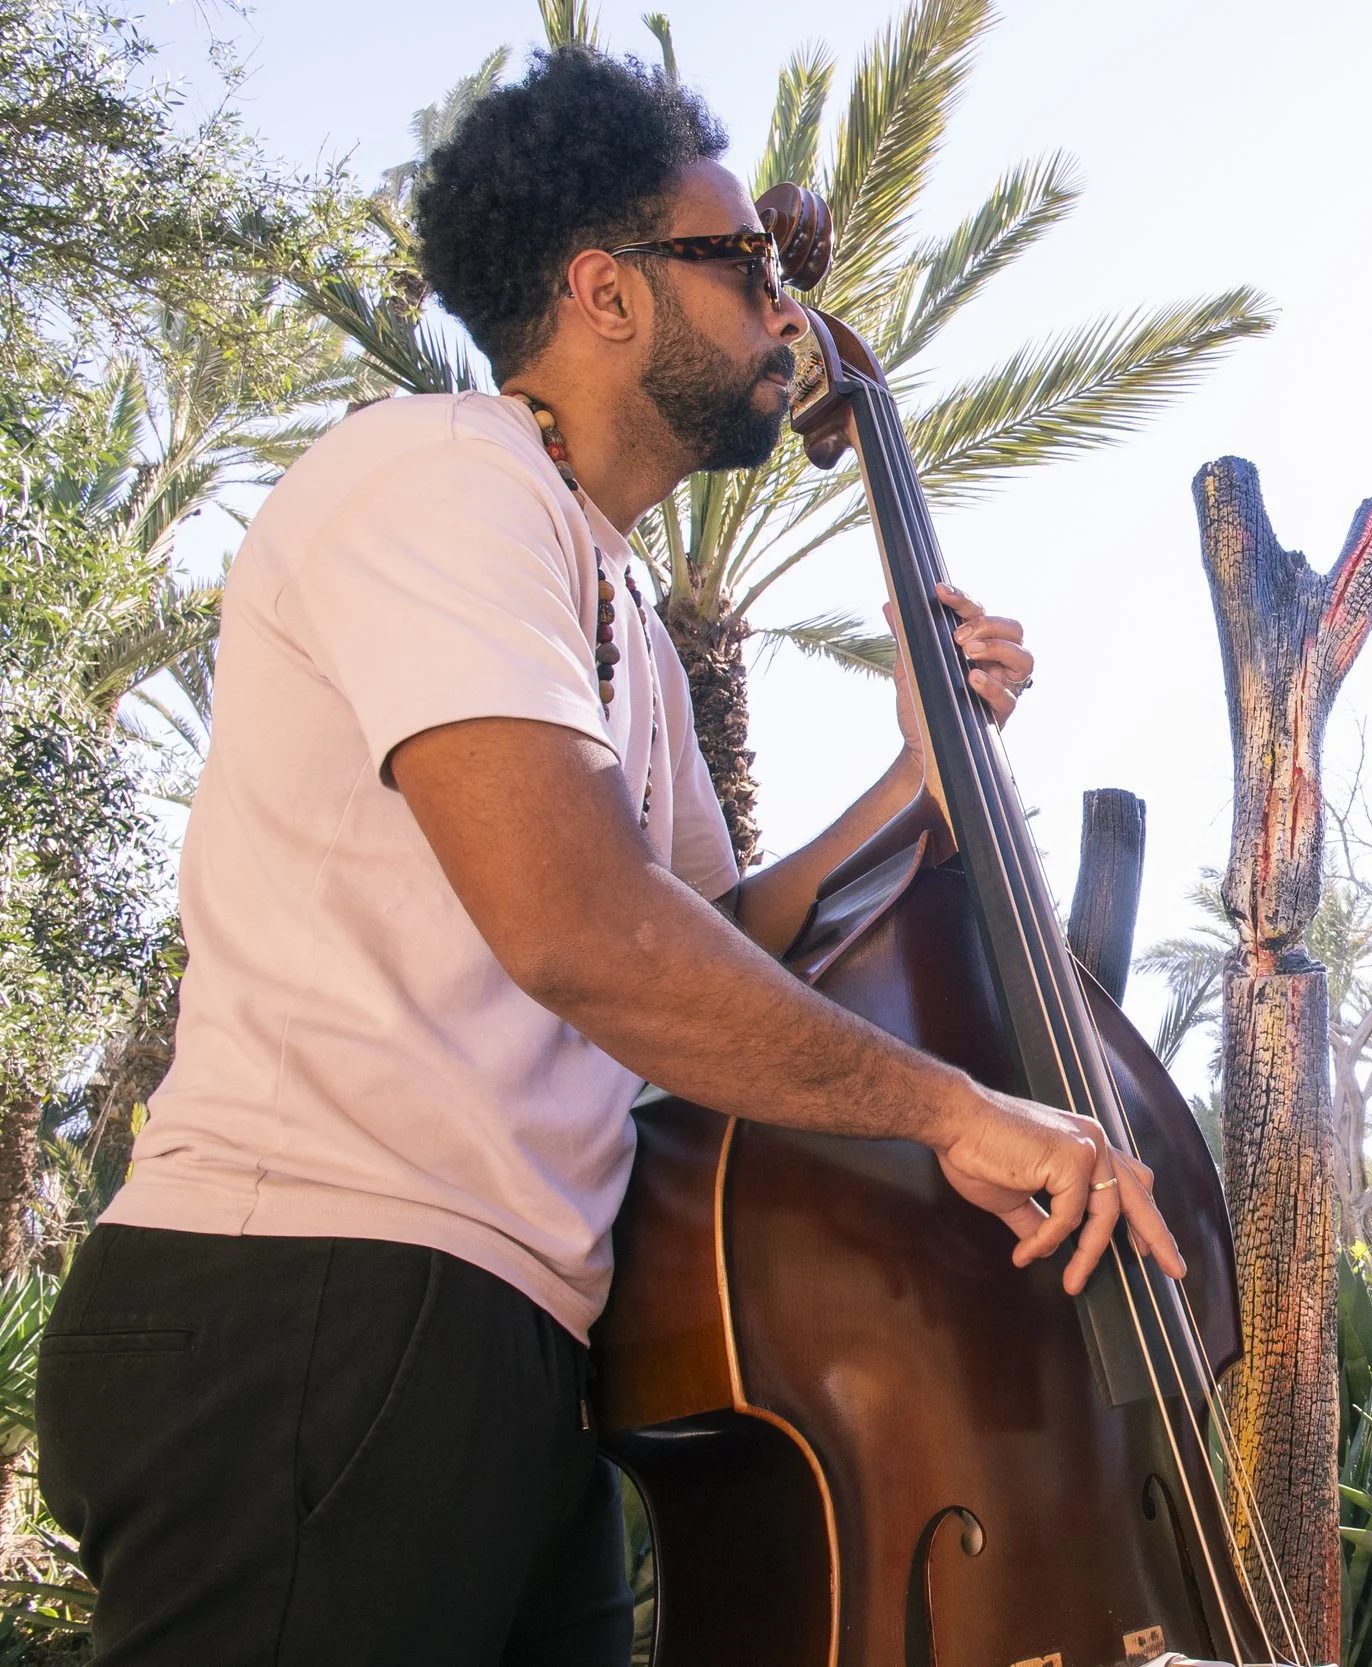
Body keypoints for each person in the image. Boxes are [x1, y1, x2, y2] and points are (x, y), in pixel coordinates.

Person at [33, 47, 1183, 1667]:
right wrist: (957, 1111)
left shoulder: (619, 604)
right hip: (319, 1290)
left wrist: (915, 780)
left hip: (502, 1325)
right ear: (607, 292)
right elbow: (585, 932)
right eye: (744, 263)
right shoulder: (443, 478)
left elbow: (710, 934)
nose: (787, 311)